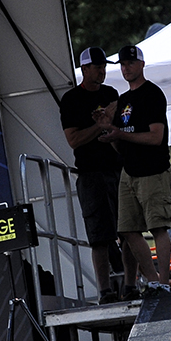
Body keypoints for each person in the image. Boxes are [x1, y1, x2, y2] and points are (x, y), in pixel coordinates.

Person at [98, 44, 171, 298]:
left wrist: (119, 134)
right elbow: (121, 145)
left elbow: (156, 137)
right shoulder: (124, 101)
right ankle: (153, 281)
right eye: (122, 63)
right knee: (127, 229)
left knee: (158, 227)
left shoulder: (152, 94)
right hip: (129, 172)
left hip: (154, 170)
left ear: (142, 64)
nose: (126, 67)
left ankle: (164, 281)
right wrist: (110, 131)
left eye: (130, 62)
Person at [59, 47, 128, 305]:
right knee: (99, 235)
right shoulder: (71, 100)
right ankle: (105, 290)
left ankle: (132, 283)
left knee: (128, 229)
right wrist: (97, 126)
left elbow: (120, 127)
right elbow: (73, 140)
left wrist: (110, 123)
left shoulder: (111, 94)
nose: (102, 70)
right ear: (84, 69)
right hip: (90, 174)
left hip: (117, 170)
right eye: (97, 66)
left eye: (104, 66)